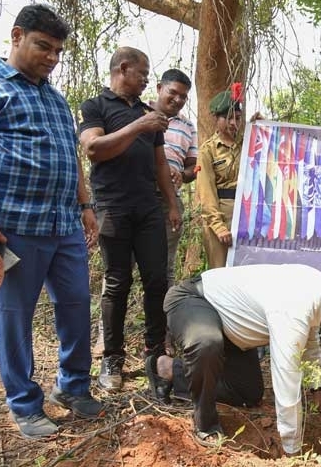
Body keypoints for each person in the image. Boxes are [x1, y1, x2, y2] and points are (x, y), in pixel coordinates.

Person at [0, 4, 104, 438]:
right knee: (13, 316)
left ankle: (73, 387)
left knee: (76, 305)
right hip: (15, 226)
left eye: (58, 50)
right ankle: (24, 403)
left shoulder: (56, 98)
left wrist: (85, 204)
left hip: (64, 225)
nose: (52, 57)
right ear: (17, 36)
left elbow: (69, 156)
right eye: (44, 46)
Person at [144, 264, 321, 454]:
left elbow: (311, 347)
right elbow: (286, 378)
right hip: (194, 300)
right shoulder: (295, 308)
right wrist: (292, 448)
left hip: (231, 328)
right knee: (207, 343)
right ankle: (205, 423)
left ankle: (172, 370)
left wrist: (318, 394)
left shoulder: (317, 290)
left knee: (247, 393)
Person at [79, 46, 181, 391]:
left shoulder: (148, 113)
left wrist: (172, 204)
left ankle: (155, 353)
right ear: (123, 69)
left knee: (156, 279)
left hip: (148, 208)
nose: (146, 80)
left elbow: (160, 163)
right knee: (117, 282)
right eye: (143, 74)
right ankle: (112, 357)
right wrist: (139, 125)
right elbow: (94, 149)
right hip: (112, 207)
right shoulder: (96, 107)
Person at [150, 68, 198, 287]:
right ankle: (111, 322)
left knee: (165, 265)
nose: (178, 100)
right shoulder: (139, 114)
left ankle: (164, 318)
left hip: (170, 203)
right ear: (160, 88)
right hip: (139, 196)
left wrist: (182, 174)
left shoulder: (188, 126)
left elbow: (193, 167)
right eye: (173, 92)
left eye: (184, 97)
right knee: (123, 266)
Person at [196, 86, 244, 269]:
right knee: (220, 273)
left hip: (246, 219)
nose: (234, 123)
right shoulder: (208, 150)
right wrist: (218, 226)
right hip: (222, 217)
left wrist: (262, 128)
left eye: (237, 118)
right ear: (216, 119)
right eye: (228, 118)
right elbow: (206, 192)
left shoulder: (247, 145)